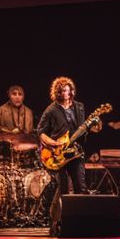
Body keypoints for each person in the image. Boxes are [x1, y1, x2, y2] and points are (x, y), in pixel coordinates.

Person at [38, 77, 89, 205]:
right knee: (63, 188)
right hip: (58, 153)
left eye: (66, 90)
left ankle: (80, 218)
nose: (64, 93)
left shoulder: (79, 107)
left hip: (75, 152)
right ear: (56, 93)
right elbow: (40, 131)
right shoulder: (51, 109)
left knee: (81, 187)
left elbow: (82, 129)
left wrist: (93, 127)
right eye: (61, 91)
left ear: (72, 91)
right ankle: (60, 220)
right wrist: (53, 143)